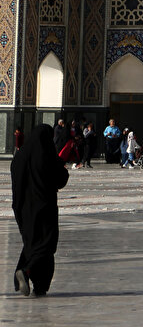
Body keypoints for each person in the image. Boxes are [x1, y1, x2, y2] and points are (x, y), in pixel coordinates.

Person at [11, 124, 69, 296]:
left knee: (32, 243)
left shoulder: (20, 156)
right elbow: (60, 179)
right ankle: (29, 273)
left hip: (23, 209)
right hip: (45, 207)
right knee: (46, 244)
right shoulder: (47, 154)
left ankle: (31, 277)